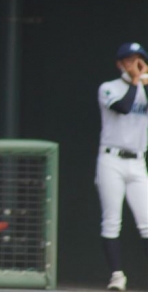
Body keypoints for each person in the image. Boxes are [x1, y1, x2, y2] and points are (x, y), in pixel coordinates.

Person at [95, 42, 148, 291]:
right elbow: (123, 108)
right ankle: (117, 276)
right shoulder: (108, 87)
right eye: (129, 60)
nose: (134, 64)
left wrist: (142, 81)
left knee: (146, 222)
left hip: (137, 161)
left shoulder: (145, 88)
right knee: (111, 220)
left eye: (139, 60)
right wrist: (136, 80)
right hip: (111, 160)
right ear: (119, 64)